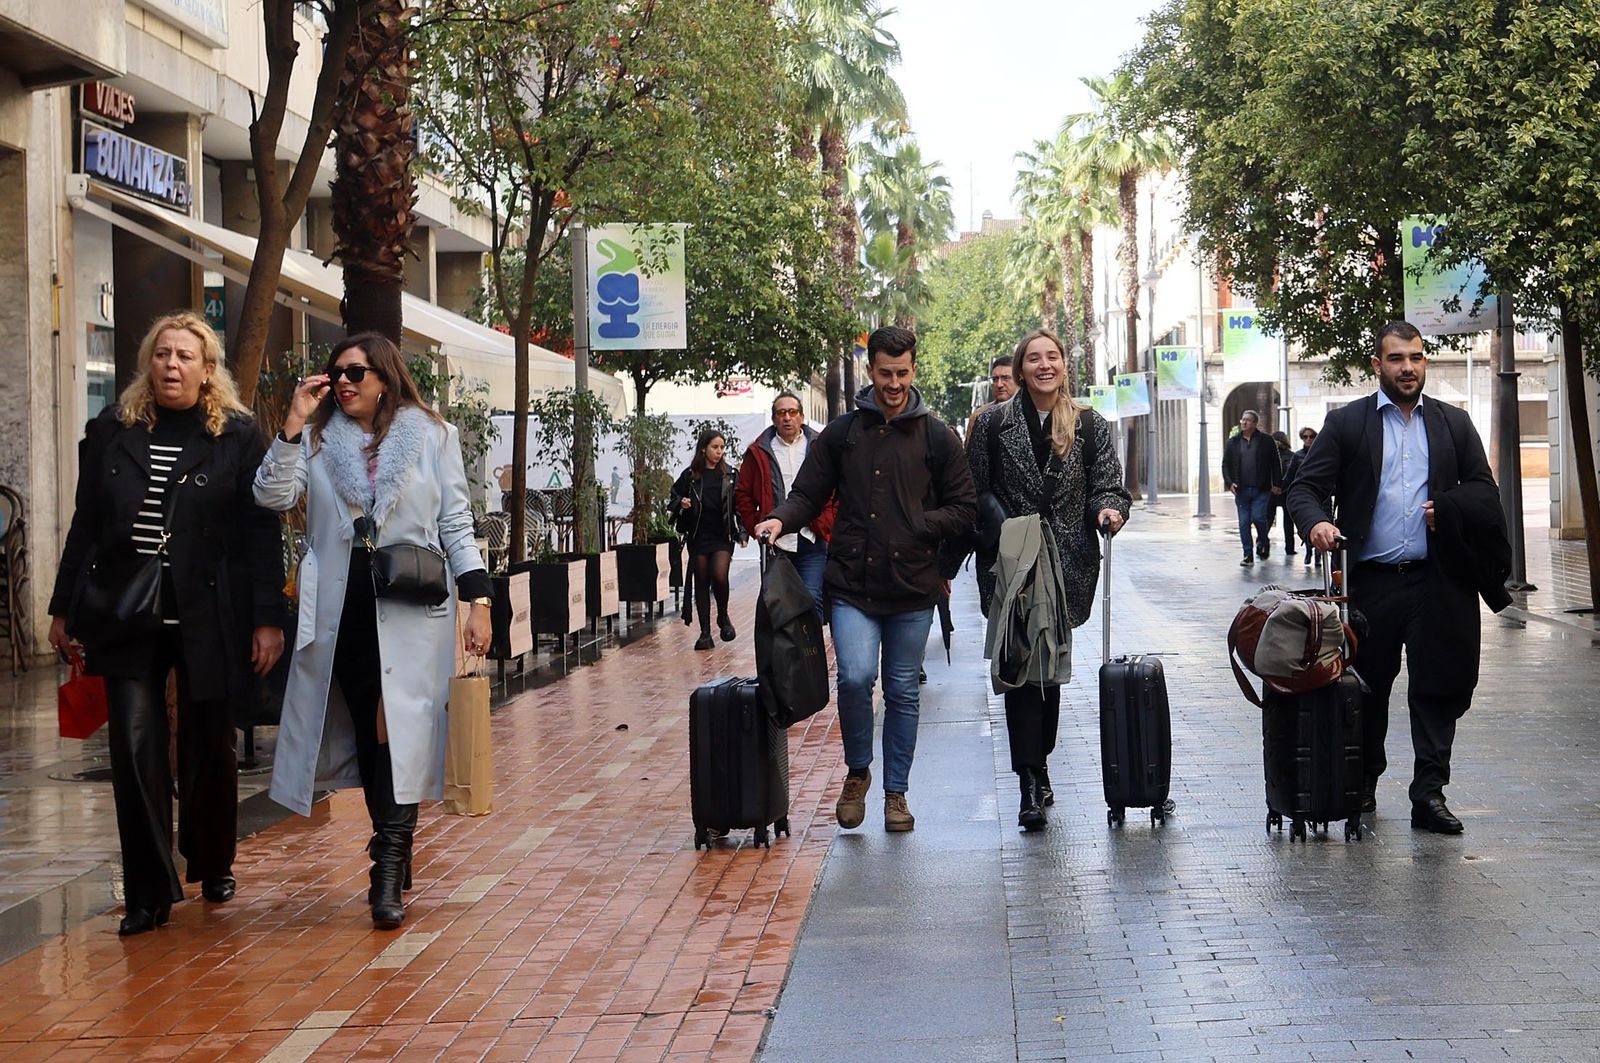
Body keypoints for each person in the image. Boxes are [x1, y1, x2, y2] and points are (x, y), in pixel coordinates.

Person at [46, 311, 286, 935]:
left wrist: (267, 619)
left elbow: (263, 533)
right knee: (134, 746)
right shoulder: (112, 430)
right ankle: (150, 891)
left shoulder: (236, 435)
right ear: (147, 364)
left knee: (209, 744)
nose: (171, 366)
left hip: (210, 612)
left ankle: (211, 860)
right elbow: (86, 523)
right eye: (162, 355)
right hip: (127, 613)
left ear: (209, 372)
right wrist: (62, 606)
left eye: (185, 357)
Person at [255, 332, 493, 929]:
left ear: (385, 376)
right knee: (370, 732)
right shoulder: (316, 440)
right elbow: (271, 496)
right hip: (343, 613)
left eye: (356, 373)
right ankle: (394, 846)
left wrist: (480, 599)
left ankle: (386, 867)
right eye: (336, 373)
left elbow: (456, 521)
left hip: (413, 610)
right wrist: (291, 424)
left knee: (397, 732)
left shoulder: (432, 435)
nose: (343, 382)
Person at [1288, 320, 1511, 834]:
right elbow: (1304, 489)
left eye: (1415, 358)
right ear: (1378, 365)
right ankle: (1362, 783)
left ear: (1424, 362)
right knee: (1367, 688)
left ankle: (1429, 795)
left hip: (1441, 580)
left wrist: (1449, 509)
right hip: (1372, 582)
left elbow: (1484, 491)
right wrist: (1318, 521)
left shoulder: (1454, 423)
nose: (1407, 368)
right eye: (1396, 359)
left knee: (1439, 686)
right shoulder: (1348, 424)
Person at [753, 326, 976, 833]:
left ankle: (896, 793)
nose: (893, 383)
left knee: (902, 689)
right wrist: (779, 520)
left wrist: (921, 525)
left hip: (912, 586)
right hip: (852, 582)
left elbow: (964, 509)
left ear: (913, 370)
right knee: (854, 678)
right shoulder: (843, 433)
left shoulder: (937, 437)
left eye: (901, 373)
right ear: (870, 371)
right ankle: (858, 772)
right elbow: (807, 494)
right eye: (884, 373)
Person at [969, 329, 1130, 829]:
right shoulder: (993, 424)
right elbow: (973, 491)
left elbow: (1109, 483)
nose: (1044, 365)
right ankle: (1029, 780)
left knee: (1048, 671)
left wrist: (1108, 509)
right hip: (1013, 562)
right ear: (1020, 370)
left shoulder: (1089, 425)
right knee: (1021, 668)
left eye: (1052, 357)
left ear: (1063, 365)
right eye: (1034, 359)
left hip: (1065, 562)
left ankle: (1039, 764)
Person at [734, 391, 837, 617]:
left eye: (792, 412)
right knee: (779, 603)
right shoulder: (758, 451)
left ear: (802, 416)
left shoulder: (819, 446)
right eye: (781, 413)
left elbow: (836, 488)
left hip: (812, 537)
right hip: (776, 542)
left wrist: (828, 521)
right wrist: (756, 525)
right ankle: (788, 652)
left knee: (812, 598)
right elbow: (742, 493)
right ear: (774, 418)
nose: (787, 418)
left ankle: (810, 651)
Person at [671, 430, 743, 650]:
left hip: (722, 534)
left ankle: (723, 615)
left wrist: (742, 531)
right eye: (715, 447)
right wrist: (681, 503)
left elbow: (739, 504)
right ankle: (704, 633)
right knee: (701, 580)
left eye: (722, 447)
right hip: (698, 535)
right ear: (704, 448)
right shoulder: (691, 475)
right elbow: (673, 497)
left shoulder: (730, 474)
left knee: (719, 575)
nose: (719, 452)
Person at [1221, 409, 1281, 566]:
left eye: (1247, 420)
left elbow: (1275, 463)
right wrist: (1229, 482)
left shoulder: (1266, 441)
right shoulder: (1233, 442)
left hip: (1261, 489)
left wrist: (1277, 484)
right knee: (1243, 523)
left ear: (1254, 424)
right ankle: (1248, 554)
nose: (1243, 422)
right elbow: (1225, 465)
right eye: (1242, 419)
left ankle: (1263, 541)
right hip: (1241, 491)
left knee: (1258, 517)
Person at [1287, 426, 1319, 565]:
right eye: (1305, 437)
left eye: (1311, 436)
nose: (1308, 439)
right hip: (1306, 494)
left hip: (1323, 495)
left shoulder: (1321, 453)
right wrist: (1279, 487)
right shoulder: (1298, 456)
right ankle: (1308, 551)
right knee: (1308, 522)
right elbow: (1290, 475)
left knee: (1322, 524)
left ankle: (1319, 556)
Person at [965, 355, 1017, 440]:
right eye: (995, 379)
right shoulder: (978, 417)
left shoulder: (1033, 411)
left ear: (1019, 379)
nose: (999, 384)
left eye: (1005, 378)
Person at [1271, 430, 1298, 560]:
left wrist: (1273, 487)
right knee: (1288, 522)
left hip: (1275, 491)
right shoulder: (1292, 456)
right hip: (1286, 492)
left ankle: (1261, 544)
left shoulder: (1269, 456)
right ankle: (1290, 548)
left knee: (1268, 519)